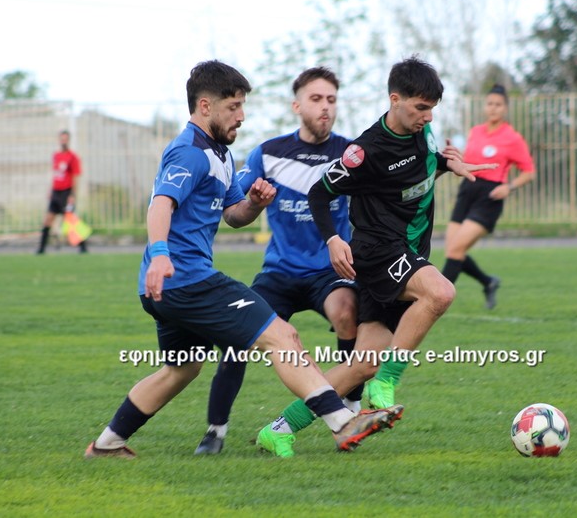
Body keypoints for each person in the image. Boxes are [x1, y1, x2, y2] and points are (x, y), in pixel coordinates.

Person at [84, 60, 395, 459]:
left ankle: (107, 444)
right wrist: (160, 254)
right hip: (186, 279)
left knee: (182, 369)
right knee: (281, 336)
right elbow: (161, 204)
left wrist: (255, 203)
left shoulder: (221, 155)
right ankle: (343, 422)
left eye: (242, 106)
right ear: (205, 106)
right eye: (233, 107)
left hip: (168, 287)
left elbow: (233, 215)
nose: (242, 116)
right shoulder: (190, 152)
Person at [254, 56, 496, 457]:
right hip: (378, 252)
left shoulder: (424, 131)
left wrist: (446, 165)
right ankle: (387, 381)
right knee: (440, 292)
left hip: (406, 251)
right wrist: (333, 239)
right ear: (395, 100)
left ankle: (278, 429)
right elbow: (319, 192)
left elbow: (416, 171)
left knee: (361, 365)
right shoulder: (365, 152)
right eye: (421, 108)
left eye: (432, 108)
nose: (428, 117)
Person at [194, 67, 364, 455]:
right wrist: (254, 200)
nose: (325, 107)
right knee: (236, 337)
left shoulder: (351, 154)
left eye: (331, 100)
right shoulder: (268, 153)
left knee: (347, 311)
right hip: (279, 273)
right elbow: (234, 211)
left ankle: (352, 410)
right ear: (297, 105)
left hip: (329, 272)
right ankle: (215, 430)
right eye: (316, 99)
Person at [440, 84, 535, 309]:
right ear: (485, 106)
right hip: (467, 190)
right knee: (452, 249)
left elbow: (529, 172)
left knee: (455, 250)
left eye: (498, 104)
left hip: (489, 197)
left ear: (506, 108)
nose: (493, 108)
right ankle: (488, 282)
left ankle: (436, 300)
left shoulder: (512, 138)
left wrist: (509, 187)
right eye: (490, 104)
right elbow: (468, 161)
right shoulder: (476, 131)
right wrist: (455, 159)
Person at [37, 130, 88, 254]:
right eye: (62, 139)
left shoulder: (73, 157)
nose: (63, 141)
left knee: (70, 220)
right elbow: (55, 175)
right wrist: (51, 190)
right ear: (59, 140)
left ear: (68, 140)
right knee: (48, 219)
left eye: (65, 139)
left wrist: (72, 195)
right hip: (56, 192)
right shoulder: (56, 156)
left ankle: (83, 247)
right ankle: (41, 249)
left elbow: (75, 177)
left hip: (66, 193)